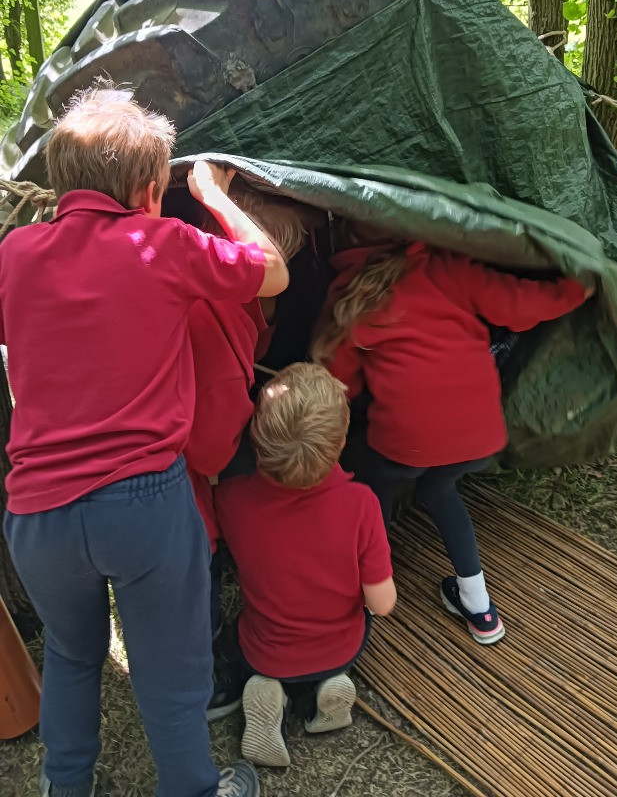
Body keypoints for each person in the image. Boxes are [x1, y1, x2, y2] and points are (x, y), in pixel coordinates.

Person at [0, 85, 289, 797]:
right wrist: (215, 197)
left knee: (71, 654)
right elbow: (272, 272)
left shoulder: (13, 254)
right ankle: (191, 787)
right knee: (170, 663)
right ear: (148, 188)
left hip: (37, 513)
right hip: (143, 504)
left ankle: (64, 786)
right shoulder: (161, 241)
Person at [312, 223, 593, 645]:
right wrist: (579, 286)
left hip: (405, 442)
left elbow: (342, 382)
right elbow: (520, 304)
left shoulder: (351, 291)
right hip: (477, 437)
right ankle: (480, 608)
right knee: (440, 490)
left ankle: (363, 592)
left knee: (371, 493)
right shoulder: (447, 268)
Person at [215, 362, 396, 768]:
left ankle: (267, 690)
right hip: (340, 646)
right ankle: (330, 687)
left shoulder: (232, 499)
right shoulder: (361, 504)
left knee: (250, 644)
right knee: (354, 629)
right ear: (340, 442)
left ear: (256, 441)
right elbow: (382, 603)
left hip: (265, 650)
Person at [184, 188, 310, 720]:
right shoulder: (215, 324)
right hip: (179, 495)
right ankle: (206, 667)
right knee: (199, 568)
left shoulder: (224, 306)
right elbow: (211, 451)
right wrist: (247, 427)